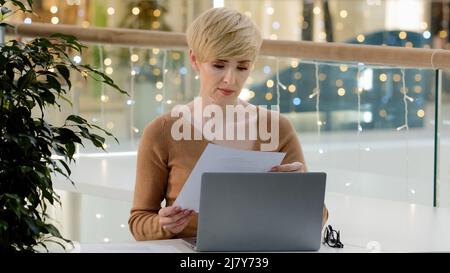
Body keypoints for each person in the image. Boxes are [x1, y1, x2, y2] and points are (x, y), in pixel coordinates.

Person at [128, 7, 328, 241]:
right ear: (195, 59)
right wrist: (164, 224)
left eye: (242, 67)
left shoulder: (277, 128)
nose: (231, 79)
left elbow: (317, 218)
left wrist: (300, 191)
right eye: (219, 65)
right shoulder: (162, 132)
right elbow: (139, 221)